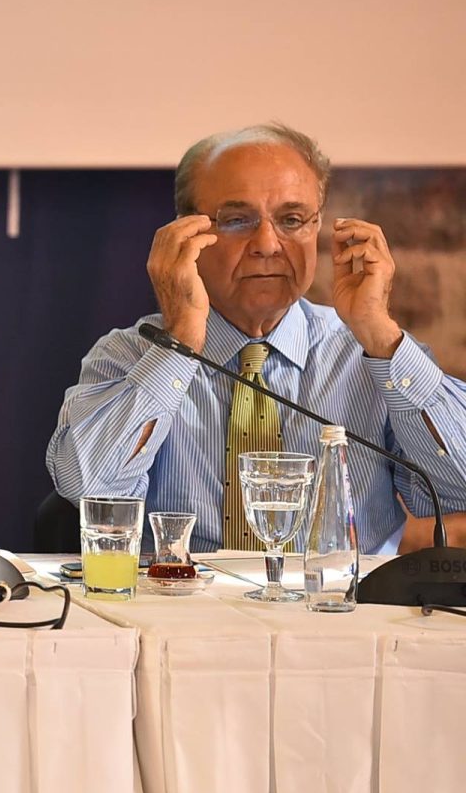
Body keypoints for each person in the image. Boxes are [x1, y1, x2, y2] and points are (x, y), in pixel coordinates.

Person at [47, 123, 466, 554]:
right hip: (182, 595)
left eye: (291, 220)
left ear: (318, 227)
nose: (267, 244)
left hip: (343, 596)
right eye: (236, 220)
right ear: (184, 235)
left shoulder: (372, 356)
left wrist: (380, 334)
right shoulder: (129, 355)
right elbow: (88, 489)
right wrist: (180, 342)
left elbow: (460, 488)